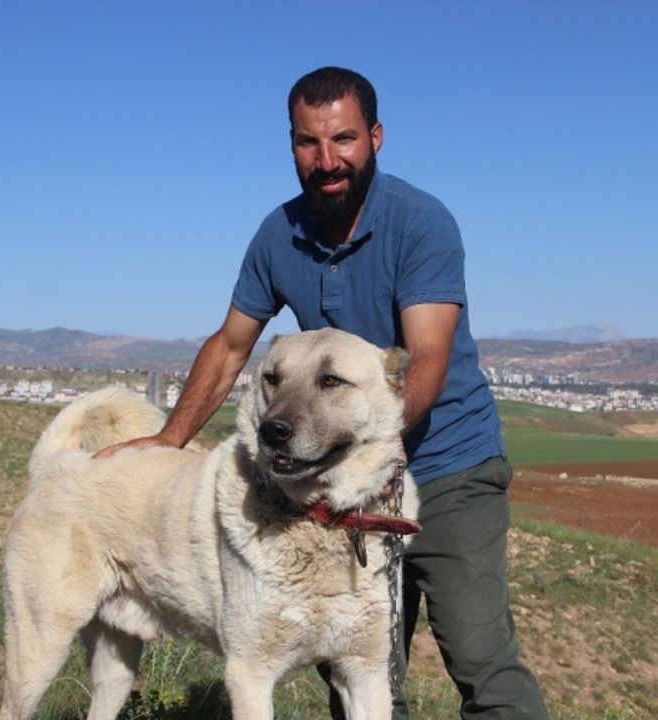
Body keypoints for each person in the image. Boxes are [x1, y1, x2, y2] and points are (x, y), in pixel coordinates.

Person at [94, 66, 549, 720]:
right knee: (358, 673)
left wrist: (377, 458)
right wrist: (166, 442)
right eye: (309, 143)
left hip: (448, 472)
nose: (328, 160)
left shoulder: (421, 225)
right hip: (339, 483)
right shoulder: (278, 236)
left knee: (481, 659)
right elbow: (229, 347)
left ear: (376, 137)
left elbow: (424, 359)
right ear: (292, 146)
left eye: (344, 139)